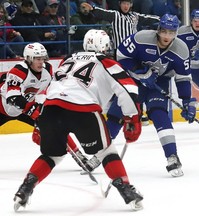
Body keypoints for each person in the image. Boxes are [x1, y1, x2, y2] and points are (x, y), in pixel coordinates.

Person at [13, 29, 143, 212]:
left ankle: (25, 188)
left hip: (51, 109)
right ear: (104, 46)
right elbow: (127, 87)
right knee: (107, 152)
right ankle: (127, 191)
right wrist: (132, 117)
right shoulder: (105, 61)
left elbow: (48, 90)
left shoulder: (68, 60)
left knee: (53, 154)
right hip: (83, 109)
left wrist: (39, 122)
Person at [106, 14, 195, 177]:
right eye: (165, 31)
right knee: (117, 112)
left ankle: (172, 156)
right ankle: (100, 153)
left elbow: (183, 77)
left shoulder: (181, 49)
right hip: (134, 80)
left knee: (159, 114)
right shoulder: (141, 38)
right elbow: (121, 55)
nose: (167, 36)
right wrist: (139, 72)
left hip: (158, 83)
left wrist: (187, 100)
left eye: (171, 32)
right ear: (159, 29)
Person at [0, 42, 92, 171]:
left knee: (56, 127)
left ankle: (79, 157)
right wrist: (33, 112)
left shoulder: (47, 70)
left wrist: (41, 115)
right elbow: (12, 97)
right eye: (37, 59)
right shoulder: (19, 70)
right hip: (2, 108)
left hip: (23, 108)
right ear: (28, 59)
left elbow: (48, 92)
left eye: (43, 58)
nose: (41, 62)